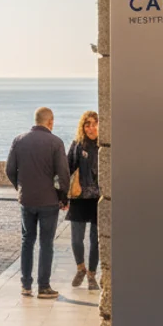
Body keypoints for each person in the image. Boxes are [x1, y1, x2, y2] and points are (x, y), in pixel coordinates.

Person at [6, 107, 70, 300]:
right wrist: (62, 197)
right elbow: (62, 174)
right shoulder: (56, 142)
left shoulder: (19, 140)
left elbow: (10, 170)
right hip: (48, 201)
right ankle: (43, 287)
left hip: (27, 200)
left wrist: (20, 187)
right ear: (50, 122)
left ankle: (26, 285)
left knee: (27, 241)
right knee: (46, 243)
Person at [67, 111, 101, 291]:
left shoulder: (104, 145)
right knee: (76, 239)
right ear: (83, 127)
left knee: (96, 240)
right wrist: (62, 196)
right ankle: (81, 268)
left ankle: (92, 275)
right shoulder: (77, 145)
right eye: (87, 125)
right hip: (79, 197)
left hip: (99, 199)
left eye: (94, 124)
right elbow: (67, 169)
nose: (91, 128)